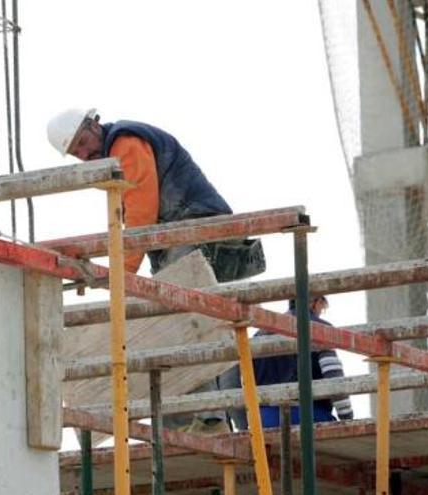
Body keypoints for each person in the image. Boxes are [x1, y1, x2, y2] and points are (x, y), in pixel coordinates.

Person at [48, 109, 266, 433]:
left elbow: (140, 216)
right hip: (178, 235)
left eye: (83, 142)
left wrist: (122, 276)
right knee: (184, 323)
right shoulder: (114, 158)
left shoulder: (125, 144)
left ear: (95, 125)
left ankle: (207, 418)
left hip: (195, 229)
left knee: (180, 321)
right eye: (76, 152)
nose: (84, 154)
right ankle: (193, 418)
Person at [223, 295, 354, 430]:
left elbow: (230, 380)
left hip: (264, 420)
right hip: (310, 416)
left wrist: (245, 427)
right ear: (316, 303)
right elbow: (333, 376)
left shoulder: (259, 335)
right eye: (323, 308)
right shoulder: (320, 329)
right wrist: (347, 418)